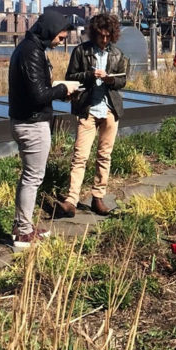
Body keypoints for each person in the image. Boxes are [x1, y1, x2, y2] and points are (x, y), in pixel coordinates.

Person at [8, 12, 81, 249]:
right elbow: (38, 95)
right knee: (33, 177)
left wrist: (58, 88)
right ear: (50, 30)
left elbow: (36, 89)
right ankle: (22, 232)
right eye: (60, 37)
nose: (61, 42)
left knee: (31, 176)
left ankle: (24, 226)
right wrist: (62, 88)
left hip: (27, 120)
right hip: (32, 123)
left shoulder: (29, 48)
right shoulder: (31, 52)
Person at [62, 13, 130, 216]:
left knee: (104, 156)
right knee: (80, 155)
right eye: (101, 35)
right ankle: (71, 200)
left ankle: (98, 198)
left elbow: (122, 81)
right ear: (94, 33)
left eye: (109, 36)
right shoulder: (81, 52)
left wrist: (110, 80)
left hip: (110, 110)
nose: (105, 39)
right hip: (87, 109)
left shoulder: (117, 54)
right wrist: (90, 76)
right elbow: (70, 78)